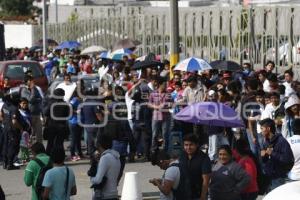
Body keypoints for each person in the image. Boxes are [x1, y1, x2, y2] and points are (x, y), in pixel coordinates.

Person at [260, 118, 294, 190]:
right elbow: (265, 161)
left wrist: (272, 153)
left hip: (279, 178)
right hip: (269, 177)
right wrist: (263, 156)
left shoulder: (281, 141)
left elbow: (288, 159)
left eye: (262, 128)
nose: (261, 131)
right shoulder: (265, 141)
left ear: (268, 128)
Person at [180, 134, 211, 200]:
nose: (188, 147)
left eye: (191, 145)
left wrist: (202, 197)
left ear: (197, 145)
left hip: (197, 195)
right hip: (183, 194)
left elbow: (206, 180)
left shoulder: (204, 158)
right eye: (186, 145)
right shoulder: (182, 155)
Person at [91, 133, 121, 200]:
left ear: (99, 145)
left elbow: (98, 180)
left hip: (105, 195)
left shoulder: (105, 158)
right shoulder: (116, 156)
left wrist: (92, 179)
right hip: (114, 194)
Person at [43, 88, 70, 154]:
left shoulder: (51, 103)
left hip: (51, 126)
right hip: (61, 126)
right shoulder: (65, 104)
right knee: (60, 143)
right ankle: (60, 158)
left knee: (50, 143)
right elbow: (68, 115)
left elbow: (45, 113)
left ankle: (48, 156)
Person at [148, 77, 172, 152]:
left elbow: (172, 103)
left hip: (166, 116)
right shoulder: (153, 93)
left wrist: (168, 104)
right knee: (155, 134)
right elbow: (149, 104)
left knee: (165, 134)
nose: (166, 86)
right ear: (160, 85)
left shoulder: (168, 94)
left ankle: (165, 150)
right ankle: (154, 150)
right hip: (156, 116)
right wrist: (156, 106)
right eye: (164, 84)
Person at [1, 92, 22, 170]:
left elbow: (1, 115)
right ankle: (10, 164)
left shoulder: (4, 105)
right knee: (12, 146)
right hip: (12, 130)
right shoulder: (14, 108)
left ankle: (5, 162)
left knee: (5, 145)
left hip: (5, 128)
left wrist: (5, 123)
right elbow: (14, 122)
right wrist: (21, 128)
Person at [20, 75, 43, 144]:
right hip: (29, 114)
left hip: (37, 113)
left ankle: (39, 147)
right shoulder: (24, 90)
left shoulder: (35, 88)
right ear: (27, 82)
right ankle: (29, 147)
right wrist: (33, 90)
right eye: (31, 80)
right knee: (30, 133)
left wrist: (35, 98)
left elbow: (40, 98)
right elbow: (30, 99)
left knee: (39, 132)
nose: (33, 82)